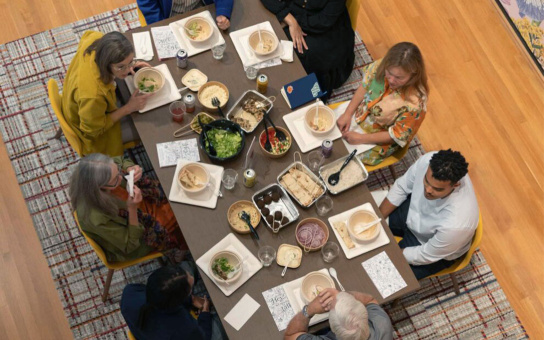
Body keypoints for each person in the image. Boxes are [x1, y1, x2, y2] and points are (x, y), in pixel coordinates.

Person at [379, 149, 479, 280]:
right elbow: (402, 187)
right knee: (362, 214)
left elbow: (425, 254)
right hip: (413, 212)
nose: (427, 190)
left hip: (429, 246)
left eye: (437, 189)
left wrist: (392, 256)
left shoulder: (456, 224)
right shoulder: (428, 160)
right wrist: (376, 219)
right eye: (426, 181)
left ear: (456, 185)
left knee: (382, 276)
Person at [69, 153, 187, 263]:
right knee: (182, 212)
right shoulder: (96, 217)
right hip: (136, 236)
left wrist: (130, 167)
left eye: (118, 171)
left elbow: (119, 160)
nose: (122, 177)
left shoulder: (98, 168)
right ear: (100, 187)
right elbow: (129, 245)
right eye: (116, 179)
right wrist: (132, 209)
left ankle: (180, 241)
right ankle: (180, 246)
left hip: (139, 205)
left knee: (176, 192)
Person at [336, 42, 429, 166]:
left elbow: (396, 135)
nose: (391, 80)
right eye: (389, 73)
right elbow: (365, 86)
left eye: (398, 78)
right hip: (361, 113)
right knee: (325, 131)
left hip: (379, 138)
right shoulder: (383, 64)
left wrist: (360, 138)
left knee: (340, 157)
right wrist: (347, 114)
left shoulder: (416, 104)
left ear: (413, 75)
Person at [62, 31, 152, 157]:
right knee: (147, 129)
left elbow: (87, 35)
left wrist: (131, 65)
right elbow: (92, 131)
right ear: (106, 63)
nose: (127, 71)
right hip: (91, 128)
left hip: (77, 100)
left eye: (130, 62)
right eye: (121, 67)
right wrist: (128, 108)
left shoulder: (96, 40)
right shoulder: (93, 96)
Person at [260, 0, 355, 100]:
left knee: (301, 51)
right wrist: (290, 20)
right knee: (269, 32)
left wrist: (296, 22)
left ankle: (305, 95)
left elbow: (324, 20)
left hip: (325, 28)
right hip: (294, 13)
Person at [121, 263, 227, 340]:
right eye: (190, 289)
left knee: (187, 266)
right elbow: (204, 336)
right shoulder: (185, 328)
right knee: (223, 323)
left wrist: (190, 300)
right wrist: (205, 313)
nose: (190, 277)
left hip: (147, 332)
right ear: (178, 301)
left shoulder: (130, 292)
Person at [284, 288, 393, 340]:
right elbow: (370, 300)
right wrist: (344, 295)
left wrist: (309, 310)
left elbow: (290, 336)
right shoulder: (383, 323)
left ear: (333, 328)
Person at [137, 0, 234, 29]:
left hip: (201, 10)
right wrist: (161, 27)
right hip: (170, 19)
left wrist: (223, 12)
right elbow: (148, 6)